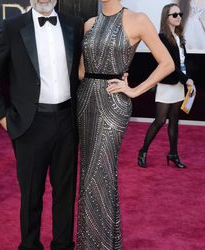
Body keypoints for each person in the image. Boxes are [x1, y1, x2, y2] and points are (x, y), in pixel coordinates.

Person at [0, 0, 83, 249]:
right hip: (30, 125)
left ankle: (62, 244)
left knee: (65, 193)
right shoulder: (12, 27)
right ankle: (29, 245)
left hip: (67, 122)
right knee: (31, 195)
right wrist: (3, 118)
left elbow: (84, 69)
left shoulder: (74, 24)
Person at [76, 0, 174, 249]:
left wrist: (134, 90)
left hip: (113, 104)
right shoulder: (90, 24)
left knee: (102, 171)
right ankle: (93, 243)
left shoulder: (138, 19)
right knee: (88, 173)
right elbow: (81, 72)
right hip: (86, 101)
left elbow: (167, 63)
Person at [138, 3, 196, 169]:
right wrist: (186, 79)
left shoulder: (179, 37)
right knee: (160, 120)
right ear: (166, 18)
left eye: (180, 14)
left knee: (174, 121)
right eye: (174, 15)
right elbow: (170, 65)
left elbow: (184, 63)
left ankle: (173, 153)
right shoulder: (162, 37)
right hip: (167, 83)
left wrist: (188, 80)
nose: (178, 17)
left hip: (179, 84)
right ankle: (143, 151)